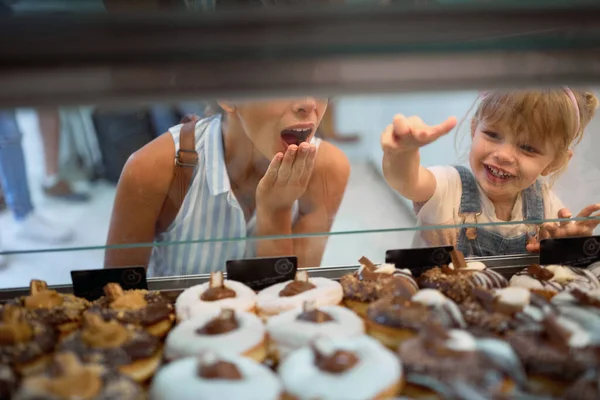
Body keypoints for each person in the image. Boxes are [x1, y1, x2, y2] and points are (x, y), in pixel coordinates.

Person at [105, 98, 350, 275]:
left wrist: (276, 210)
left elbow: (294, 300)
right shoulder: (154, 168)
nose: (308, 103)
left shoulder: (326, 169)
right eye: (283, 85)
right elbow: (115, 298)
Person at [381, 88, 600, 257]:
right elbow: (406, 181)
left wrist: (568, 246)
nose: (503, 155)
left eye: (527, 148)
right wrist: (403, 153)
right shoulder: (448, 186)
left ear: (555, 162)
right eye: (493, 134)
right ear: (474, 129)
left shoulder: (546, 204)